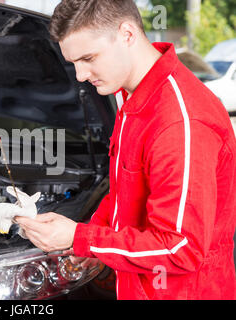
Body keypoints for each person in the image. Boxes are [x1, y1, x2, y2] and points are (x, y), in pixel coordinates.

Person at [15, 0, 236, 300]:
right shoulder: (130, 95)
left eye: (89, 57)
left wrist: (82, 237)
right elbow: (128, 193)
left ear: (127, 34)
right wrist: (91, 236)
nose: (80, 75)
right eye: (74, 63)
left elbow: (180, 248)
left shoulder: (180, 122)